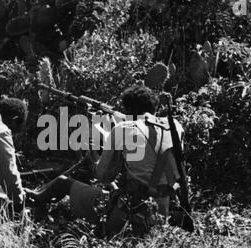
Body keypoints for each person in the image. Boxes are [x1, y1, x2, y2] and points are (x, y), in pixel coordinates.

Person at [29, 85, 185, 236]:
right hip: (167, 209)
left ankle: (33, 210)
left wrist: (99, 152)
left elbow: (104, 177)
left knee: (63, 182)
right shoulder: (175, 126)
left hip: (132, 212)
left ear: (128, 110)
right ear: (155, 108)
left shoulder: (124, 128)